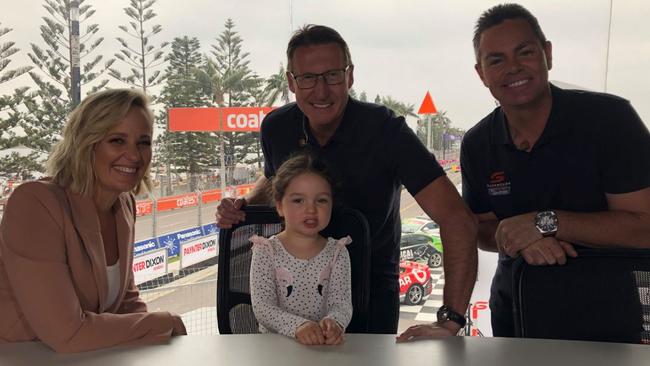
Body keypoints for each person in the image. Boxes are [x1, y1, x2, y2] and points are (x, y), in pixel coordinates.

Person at [216, 24, 478, 338]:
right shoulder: (278, 127)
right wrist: (244, 205)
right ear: (291, 82)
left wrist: (450, 320)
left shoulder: (385, 131)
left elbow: (456, 218)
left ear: (350, 76)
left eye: (332, 75)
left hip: (369, 294)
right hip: (289, 301)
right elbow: (276, 180)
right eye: (308, 78)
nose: (321, 91)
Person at [461, 3, 650, 337]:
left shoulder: (610, 121)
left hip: (606, 318)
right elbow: (482, 229)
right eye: (496, 59)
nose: (513, 67)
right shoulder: (478, 143)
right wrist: (515, 237)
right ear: (480, 74)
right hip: (515, 311)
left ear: (547, 54)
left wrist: (544, 224)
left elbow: (644, 227)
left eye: (525, 52)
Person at [0, 89, 187, 353]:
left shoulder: (123, 205)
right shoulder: (35, 203)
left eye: (143, 142)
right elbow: (68, 333)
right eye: (117, 140)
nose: (134, 156)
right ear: (87, 143)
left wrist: (157, 341)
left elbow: (125, 304)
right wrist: (163, 323)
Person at [250, 153, 352, 345]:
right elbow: (263, 308)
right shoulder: (265, 251)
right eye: (298, 200)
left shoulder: (338, 252)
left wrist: (335, 322)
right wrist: (298, 326)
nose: (311, 209)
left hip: (320, 348)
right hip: (274, 348)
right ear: (280, 206)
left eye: (321, 200)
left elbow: (341, 304)